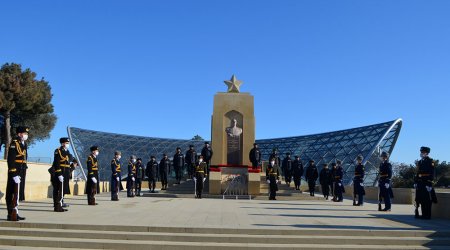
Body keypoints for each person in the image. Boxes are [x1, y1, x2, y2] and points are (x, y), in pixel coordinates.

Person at [6, 126, 29, 221]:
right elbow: (11, 159)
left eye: (26, 134)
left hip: (21, 169)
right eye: (25, 133)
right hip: (15, 170)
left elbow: (24, 158)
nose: (26, 135)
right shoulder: (14, 143)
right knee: (12, 192)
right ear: (19, 134)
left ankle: (16, 212)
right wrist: (13, 173)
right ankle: (10, 213)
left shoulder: (23, 143)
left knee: (18, 193)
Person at [414, 147, 438, 219]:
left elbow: (432, 173)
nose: (421, 153)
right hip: (420, 183)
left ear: (427, 153)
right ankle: (423, 214)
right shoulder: (420, 162)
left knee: (427, 200)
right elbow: (418, 173)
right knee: (421, 200)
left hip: (426, 183)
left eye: (423, 152)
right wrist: (416, 181)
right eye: (421, 152)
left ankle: (427, 215)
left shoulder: (430, 161)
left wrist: (430, 183)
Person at [51, 137, 73, 212]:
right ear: (63, 143)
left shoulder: (67, 151)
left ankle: (60, 203)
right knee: (58, 189)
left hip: (66, 171)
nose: (68, 144)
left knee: (63, 189)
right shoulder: (58, 151)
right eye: (66, 143)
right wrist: (59, 173)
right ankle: (57, 205)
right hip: (60, 171)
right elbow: (57, 163)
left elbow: (70, 160)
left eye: (68, 143)